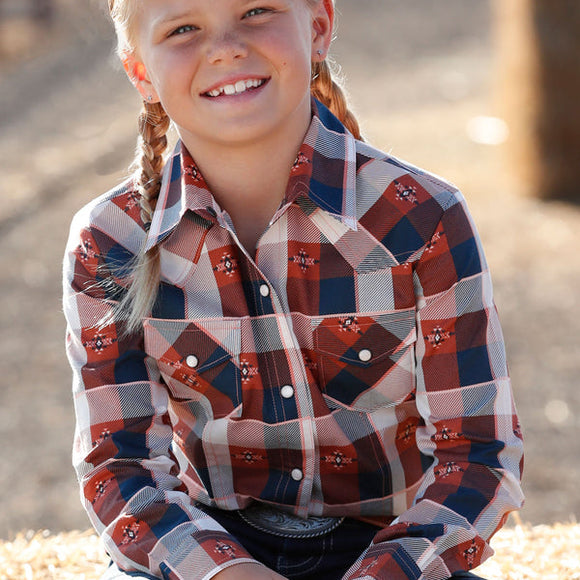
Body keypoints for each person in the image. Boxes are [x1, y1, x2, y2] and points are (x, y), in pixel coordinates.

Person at [62, 0, 524, 578]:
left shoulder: (422, 218)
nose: (225, 46)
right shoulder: (113, 240)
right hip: (211, 551)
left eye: (256, 11)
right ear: (141, 74)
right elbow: (118, 466)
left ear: (320, 26)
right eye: (184, 28)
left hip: (389, 551)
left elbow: (478, 457)